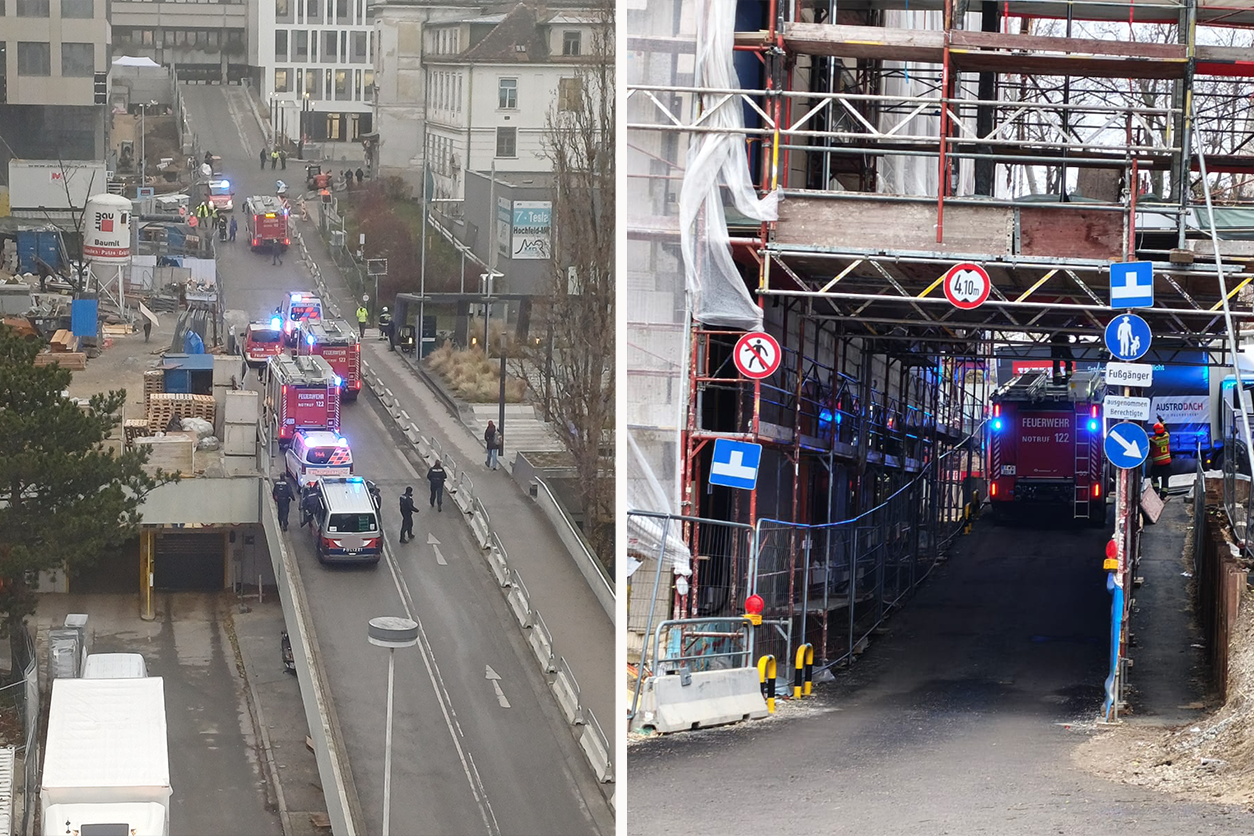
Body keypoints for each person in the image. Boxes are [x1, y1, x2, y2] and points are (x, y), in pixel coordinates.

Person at [1150, 421, 1172, 497]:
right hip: (1167, 462)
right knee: (1165, 478)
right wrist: (1162, 420)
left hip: (1157, 463)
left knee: (1154, 476)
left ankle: (1156, 490)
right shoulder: (1167, 435)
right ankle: (1163, 494)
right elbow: (1167, 427)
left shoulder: (1153, 439)